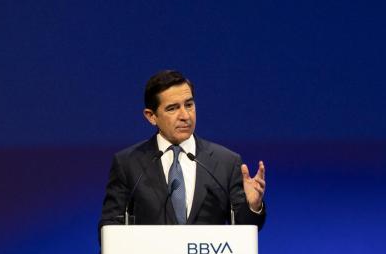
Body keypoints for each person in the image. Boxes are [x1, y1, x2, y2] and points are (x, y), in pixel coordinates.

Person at [99, 70, 266, 229]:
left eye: (189, 105)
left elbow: (245, 228)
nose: (185, 116)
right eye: (172, 108)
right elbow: (110, 227)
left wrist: (253, 206)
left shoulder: (226, 162)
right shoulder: (128, 163)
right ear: (151, 116)